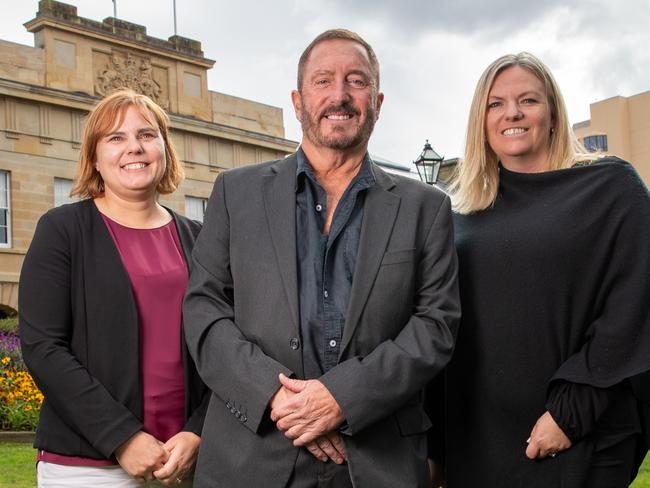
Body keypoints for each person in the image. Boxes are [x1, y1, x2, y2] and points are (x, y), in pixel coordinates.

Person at [183, 29, 460, 487]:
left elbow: (436, 326)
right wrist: (277, 398)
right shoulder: (236, 194)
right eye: (323, 80)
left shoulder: (425, 208)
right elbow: (204, 311)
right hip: (251, 459)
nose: (340, 95)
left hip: (374, 462)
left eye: (357, 81)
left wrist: (342, 398)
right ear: (297, 100)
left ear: (378, 101)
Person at [441, 52, 650, 487]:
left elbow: (634, 304)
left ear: (553, 113)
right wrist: (435, 447)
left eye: (528, 100)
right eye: (495, 104)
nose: (511, 113)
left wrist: (572, 412)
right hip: (477, 444)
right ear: (481, 121)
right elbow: (446, 328)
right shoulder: (461, 215)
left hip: (578, 434)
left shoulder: (610, 187)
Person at [19, 89, 208, 487]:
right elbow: (43, 348)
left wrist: (198, 430)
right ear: (94, 158)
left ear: (165, 149)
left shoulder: (200, 240)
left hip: (185, 461)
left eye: (146, 134)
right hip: (87, 465)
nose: (133, 147)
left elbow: (221, 345)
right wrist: (121, 437)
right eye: (116, 138)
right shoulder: (62, 230)